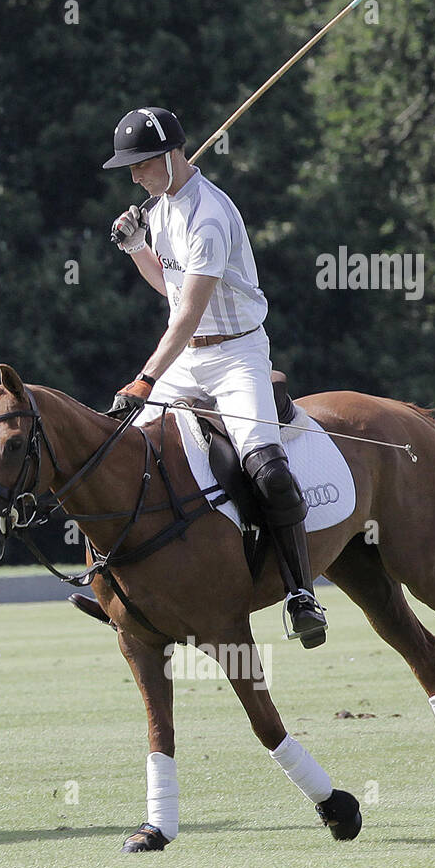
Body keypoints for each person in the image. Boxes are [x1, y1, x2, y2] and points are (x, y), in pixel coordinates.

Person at [101, 107, 327, 647]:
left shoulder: (209, 215)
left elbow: (189, 313)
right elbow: (171, 287)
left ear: (170, 157)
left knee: (267, 468)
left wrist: (145, 379)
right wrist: (137, 245)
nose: (133, 176)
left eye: (139, 165)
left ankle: (301, 592)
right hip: (187, 357)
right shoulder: (162, 209)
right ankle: (115, 581)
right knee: (126, 453)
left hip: (236, 356)